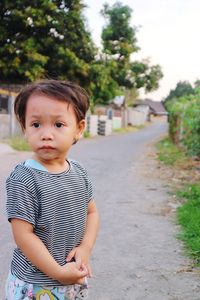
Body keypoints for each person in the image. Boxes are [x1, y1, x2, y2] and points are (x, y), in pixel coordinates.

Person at [5, 79, 100, 300]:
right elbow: (23, 236)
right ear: (24, 128)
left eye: (58, 125)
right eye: (36, 124)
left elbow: (92, 212)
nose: (46, 134)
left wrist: (85, 247)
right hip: (35, 285)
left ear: (79, 129)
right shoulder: (24, 178)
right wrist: (58, 273)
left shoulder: (79, 171)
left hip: (71, 275)